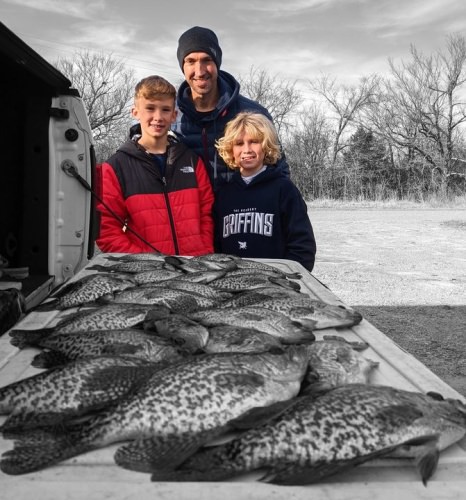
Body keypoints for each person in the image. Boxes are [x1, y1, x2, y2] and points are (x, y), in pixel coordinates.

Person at [96, 75, 214, 256]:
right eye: (150, 108)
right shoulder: (116, 167)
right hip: (148, 275)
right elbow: (107, 231)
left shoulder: (192, 160)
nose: (158, 117)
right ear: (135, 112)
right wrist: (145, 263)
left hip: (194, 269)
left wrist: (202, 253)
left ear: (174, 115)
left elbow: (206, 214)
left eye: (165, 109)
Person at [174, 26, 290, 189]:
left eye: (207, 60)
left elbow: (278, 171)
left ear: (217, 63)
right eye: (191, 61)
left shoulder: (253, 114)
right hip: (191, 213)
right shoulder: (170, 117)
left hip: (242, 212)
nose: (199, 71)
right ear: (182, 66)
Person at [213, 112, 316, 271]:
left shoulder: (283, 189)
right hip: (234, 281)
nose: (247, 149)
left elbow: (303, 246)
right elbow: (216, 246)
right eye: (239, 143)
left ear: (266, 145)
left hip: (273, 283)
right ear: (231, 149)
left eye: (254, 142)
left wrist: (286, 278)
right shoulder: (223, 193)